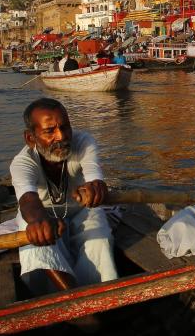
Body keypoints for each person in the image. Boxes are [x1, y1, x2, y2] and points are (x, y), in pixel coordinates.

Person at [10, 98, 118, 295]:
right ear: (30, 138)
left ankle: (101, 296)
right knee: (33, 234)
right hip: (43, 214)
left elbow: (94, 175)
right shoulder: (22, 163)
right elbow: (27, 200)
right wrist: (39, 221)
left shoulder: (83, 142)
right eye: (49, 131)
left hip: (81, 211)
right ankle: (68, 305)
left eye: (65, 127)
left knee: (99, 237)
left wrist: (95, 188)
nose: (61, 136)